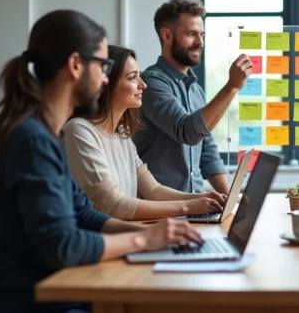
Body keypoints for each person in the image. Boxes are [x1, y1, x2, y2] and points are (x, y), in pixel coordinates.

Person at [0, 10, 204, 313]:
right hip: (30, 304)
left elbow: (85, 215)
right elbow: (64, 247)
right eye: (103, 65)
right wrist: (144, 242)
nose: (106, 77)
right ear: (76, 64)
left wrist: (153, 235)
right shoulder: (31, 140)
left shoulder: (44, 134)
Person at [63, 45, 227, 220]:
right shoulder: (79, 131)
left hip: (125, 236)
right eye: (133, 78)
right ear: (106, 83)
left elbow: (154, 190)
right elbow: (114, 206)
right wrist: (189, 207)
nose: (143, 84)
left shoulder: (121, 134)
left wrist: (202, 198)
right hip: (104, 244)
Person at [133, 0, 252, 194]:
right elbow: (187, 131)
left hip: (195, 207)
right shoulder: (150, 83)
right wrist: (231, 87)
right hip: (159, 212)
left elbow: (208, 153)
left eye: (202, 35)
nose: (200, 42)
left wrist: (231, 202)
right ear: (167, 35)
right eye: (191, 34)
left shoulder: (196, 90)